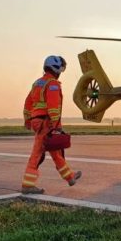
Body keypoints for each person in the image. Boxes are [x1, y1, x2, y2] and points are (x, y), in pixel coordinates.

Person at [21, 55, 82, 194]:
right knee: (37, 154)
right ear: (56, 69)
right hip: (47, 123)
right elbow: (53, 107)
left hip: (38, 121)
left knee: (56, 152)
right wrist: (56, 126)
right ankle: (27, 185)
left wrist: (27, 120)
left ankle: (70, 177)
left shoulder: (37, 83)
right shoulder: (53, 84)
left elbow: (28, 103)